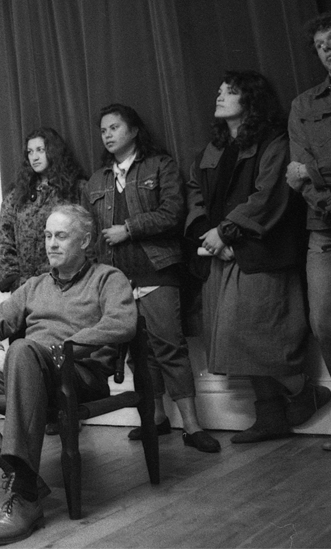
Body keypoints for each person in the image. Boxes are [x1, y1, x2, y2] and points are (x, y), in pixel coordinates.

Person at [0, 203, 136, 546]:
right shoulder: (33, 286)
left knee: (25, 348)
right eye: (48, 235)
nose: (51, 243)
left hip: (77, 376)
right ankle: (23, 476)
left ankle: (24, 497)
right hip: (23, 371)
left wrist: (60, 349)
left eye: (61, 236)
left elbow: (122, 323)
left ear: (86, 240)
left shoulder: (108, 278)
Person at [185, 70, 331, 444]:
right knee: (235, 343)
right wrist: (206, 231)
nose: (219, 96)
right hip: (220, 254)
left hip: (262, 253)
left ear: (250, 100)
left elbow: (269, 197)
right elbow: (194, 195)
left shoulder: (274, 142)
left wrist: (227, 232)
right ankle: (269, 417)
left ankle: (305, 391)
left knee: (261, 338)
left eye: (229, 92)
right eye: (219, 90)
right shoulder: (211, 149)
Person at [86, 104, 219, 453]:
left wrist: (128, 229)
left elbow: (173, 214)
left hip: (158, 268)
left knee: (169, 347)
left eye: (114, 127)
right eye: (103, 130)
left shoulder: (161, 166)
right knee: (137, 353)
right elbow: (90, 229)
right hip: (116, 276)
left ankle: (192, 425)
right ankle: (155, 419)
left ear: (133, 130)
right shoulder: (97, 179)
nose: (108, 135)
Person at [285, 11, 331, 451]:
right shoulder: (303, 104)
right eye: (319, 44)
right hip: (328, 228)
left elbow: (303, 170)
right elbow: (297, 181)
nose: (327, 47)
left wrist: (313, 168)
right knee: (327, 324)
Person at [0, 127, 87, 293]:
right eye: (30, 152)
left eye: (40, 150)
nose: (34, 157)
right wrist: (14, 281)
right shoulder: (16, 195)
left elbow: (86, 237)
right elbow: (5, 240)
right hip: (25, 287)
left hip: (67, 284)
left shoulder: (75, 189)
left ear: (53, 152)